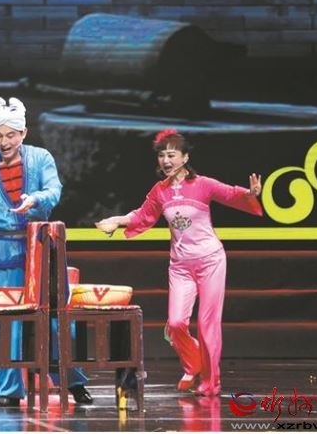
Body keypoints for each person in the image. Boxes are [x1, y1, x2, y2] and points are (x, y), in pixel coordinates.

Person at [97, 129, 263, 397]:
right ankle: (194, 362)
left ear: (185, 158)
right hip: (181, 266)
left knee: (208, 325)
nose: (166, 160)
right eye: (162, 155)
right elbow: (142, 216)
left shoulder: (203, 184)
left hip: (210, 261)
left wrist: (250, 193)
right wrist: (117, 220)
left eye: (172, 155)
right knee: (175, 324)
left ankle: (210, 383)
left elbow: (231, 194)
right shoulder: (160, 191)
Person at [0, 96, 93, 407]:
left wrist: (37, 199)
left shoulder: (41, 158)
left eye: (10, 135)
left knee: (56, 319)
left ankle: (73, 382)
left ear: (23, 133)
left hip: (39, 250)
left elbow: (54, 190)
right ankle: (7, 390)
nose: (4, 142)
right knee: (5, 322)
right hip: (1, 252)